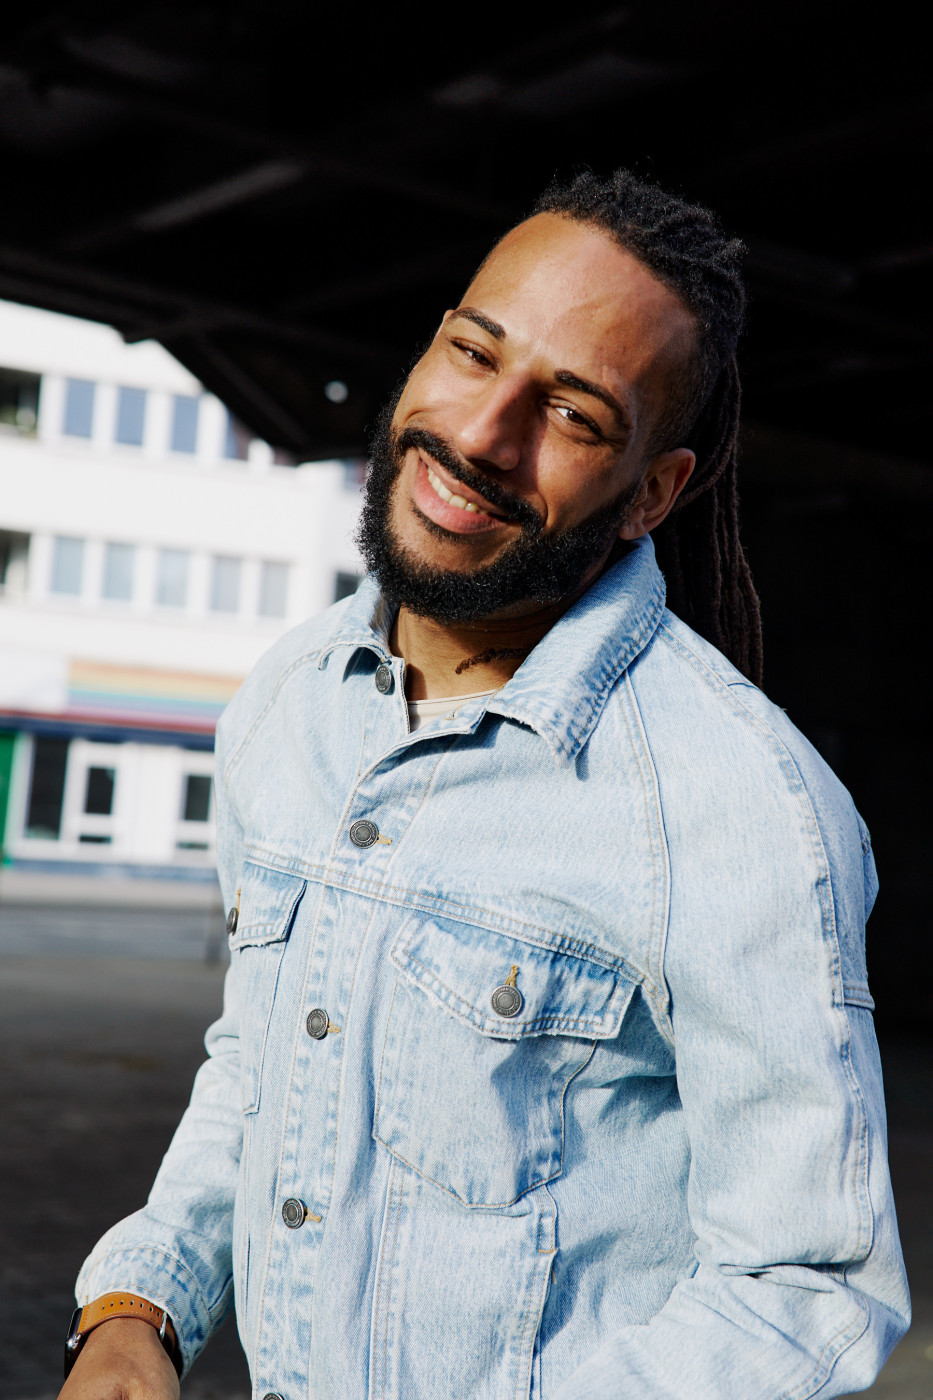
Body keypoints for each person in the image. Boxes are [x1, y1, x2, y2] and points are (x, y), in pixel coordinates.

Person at [60, 170, 909, 1400]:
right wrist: (141, 1301)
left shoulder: (744, 805)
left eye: (572, 412)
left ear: (652, 491)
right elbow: (262, 1061)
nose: (481, 434)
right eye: (474, 351)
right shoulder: (290, 699)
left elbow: (807, 1285)